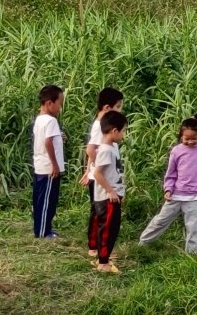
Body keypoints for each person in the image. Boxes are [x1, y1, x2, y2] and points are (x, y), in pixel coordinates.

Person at [139, 114, 197, 255]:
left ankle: (191, 254)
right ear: (180, 136)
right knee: (160, 220)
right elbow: (171, 173)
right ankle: (143, 244)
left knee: (194, 227)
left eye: (194, 138)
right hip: (176, 195)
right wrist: (168, 189)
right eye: (186, 139)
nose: (190, 141)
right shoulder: (176, 151)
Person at [81, 87, 124, 258]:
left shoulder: (102, 124)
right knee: (99, 214)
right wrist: (94, 168)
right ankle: (95, 248)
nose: (120, 110)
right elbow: (91, 149)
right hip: (101, 179)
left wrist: (88, 169)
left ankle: (97, 247)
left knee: (98, 213)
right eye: (118, 106)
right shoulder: (101, 125)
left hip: (99, 175)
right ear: (107, 107)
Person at [89, 110, 128, 274]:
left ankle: (102, 258)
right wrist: (111, 192)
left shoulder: (111, 148)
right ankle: (103, 263)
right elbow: (97, 173)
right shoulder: (105, 150)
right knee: (107, 230)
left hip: (113, 196)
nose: (124, 134)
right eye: (124, 131)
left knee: (111, 228)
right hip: (107, 199)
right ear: (114, 131)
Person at [31, 84, 65, 239]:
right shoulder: (51, 121)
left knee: (40, 200)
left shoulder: (39, 119)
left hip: (40, 165)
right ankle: (44, 232)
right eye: (59, 103)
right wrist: (55, 165)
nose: (60, 107)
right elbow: (48, 143)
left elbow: (47, 139)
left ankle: (42, 228)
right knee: (47, 202)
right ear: (49, 103)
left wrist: (60, 136)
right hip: (49, 168)